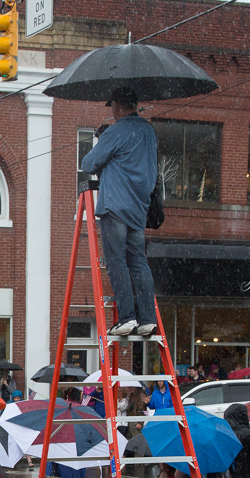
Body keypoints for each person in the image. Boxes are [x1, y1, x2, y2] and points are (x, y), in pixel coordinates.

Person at [80, 85, 159, 338]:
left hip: (115, 204)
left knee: (116, 262)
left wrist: (104, 139)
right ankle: (147, 318)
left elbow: (89, 163)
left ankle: (126, 317)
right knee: (138, 262)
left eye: (113, 106)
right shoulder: (149, 131)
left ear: (117, 106)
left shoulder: (116, 131)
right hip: (139, 207)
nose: (112, 111)